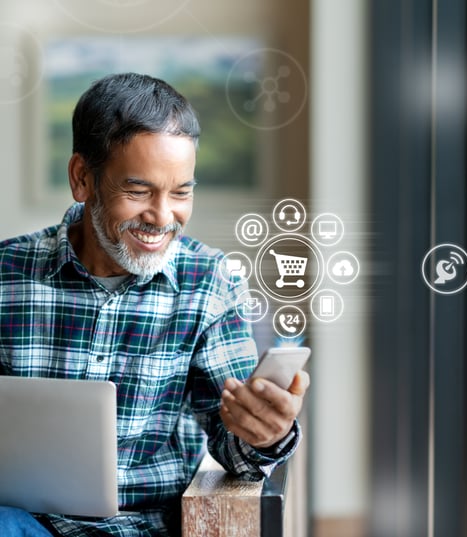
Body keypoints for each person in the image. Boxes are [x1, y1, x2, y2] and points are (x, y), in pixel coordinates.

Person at [0, 73, 310, 536]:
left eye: (181, 192)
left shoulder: (209, 282)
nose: (163, 218)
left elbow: (235, 449)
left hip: (145, 527)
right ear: (82, 178)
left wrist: (265, 435)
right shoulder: (7, 273)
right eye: (139, 191)